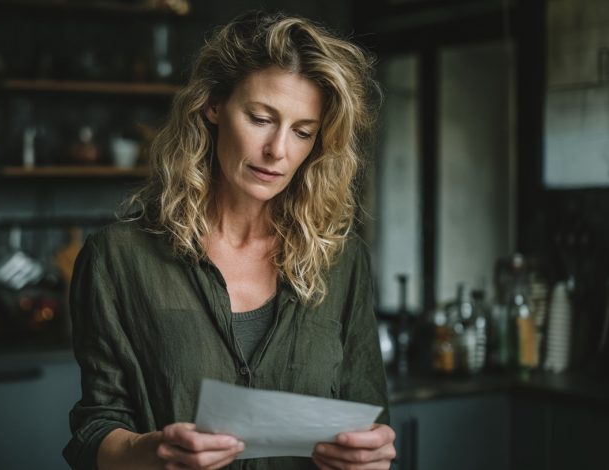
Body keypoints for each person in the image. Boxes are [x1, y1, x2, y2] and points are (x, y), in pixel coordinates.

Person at [64, 10, 395, 470]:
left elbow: (370, 420)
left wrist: (371, 458)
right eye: (261, 118)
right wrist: (152, 453)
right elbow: (93, 432)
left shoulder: (342, 261)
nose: (277, 150)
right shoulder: (118, 258)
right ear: (214, 105)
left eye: (302, 132)